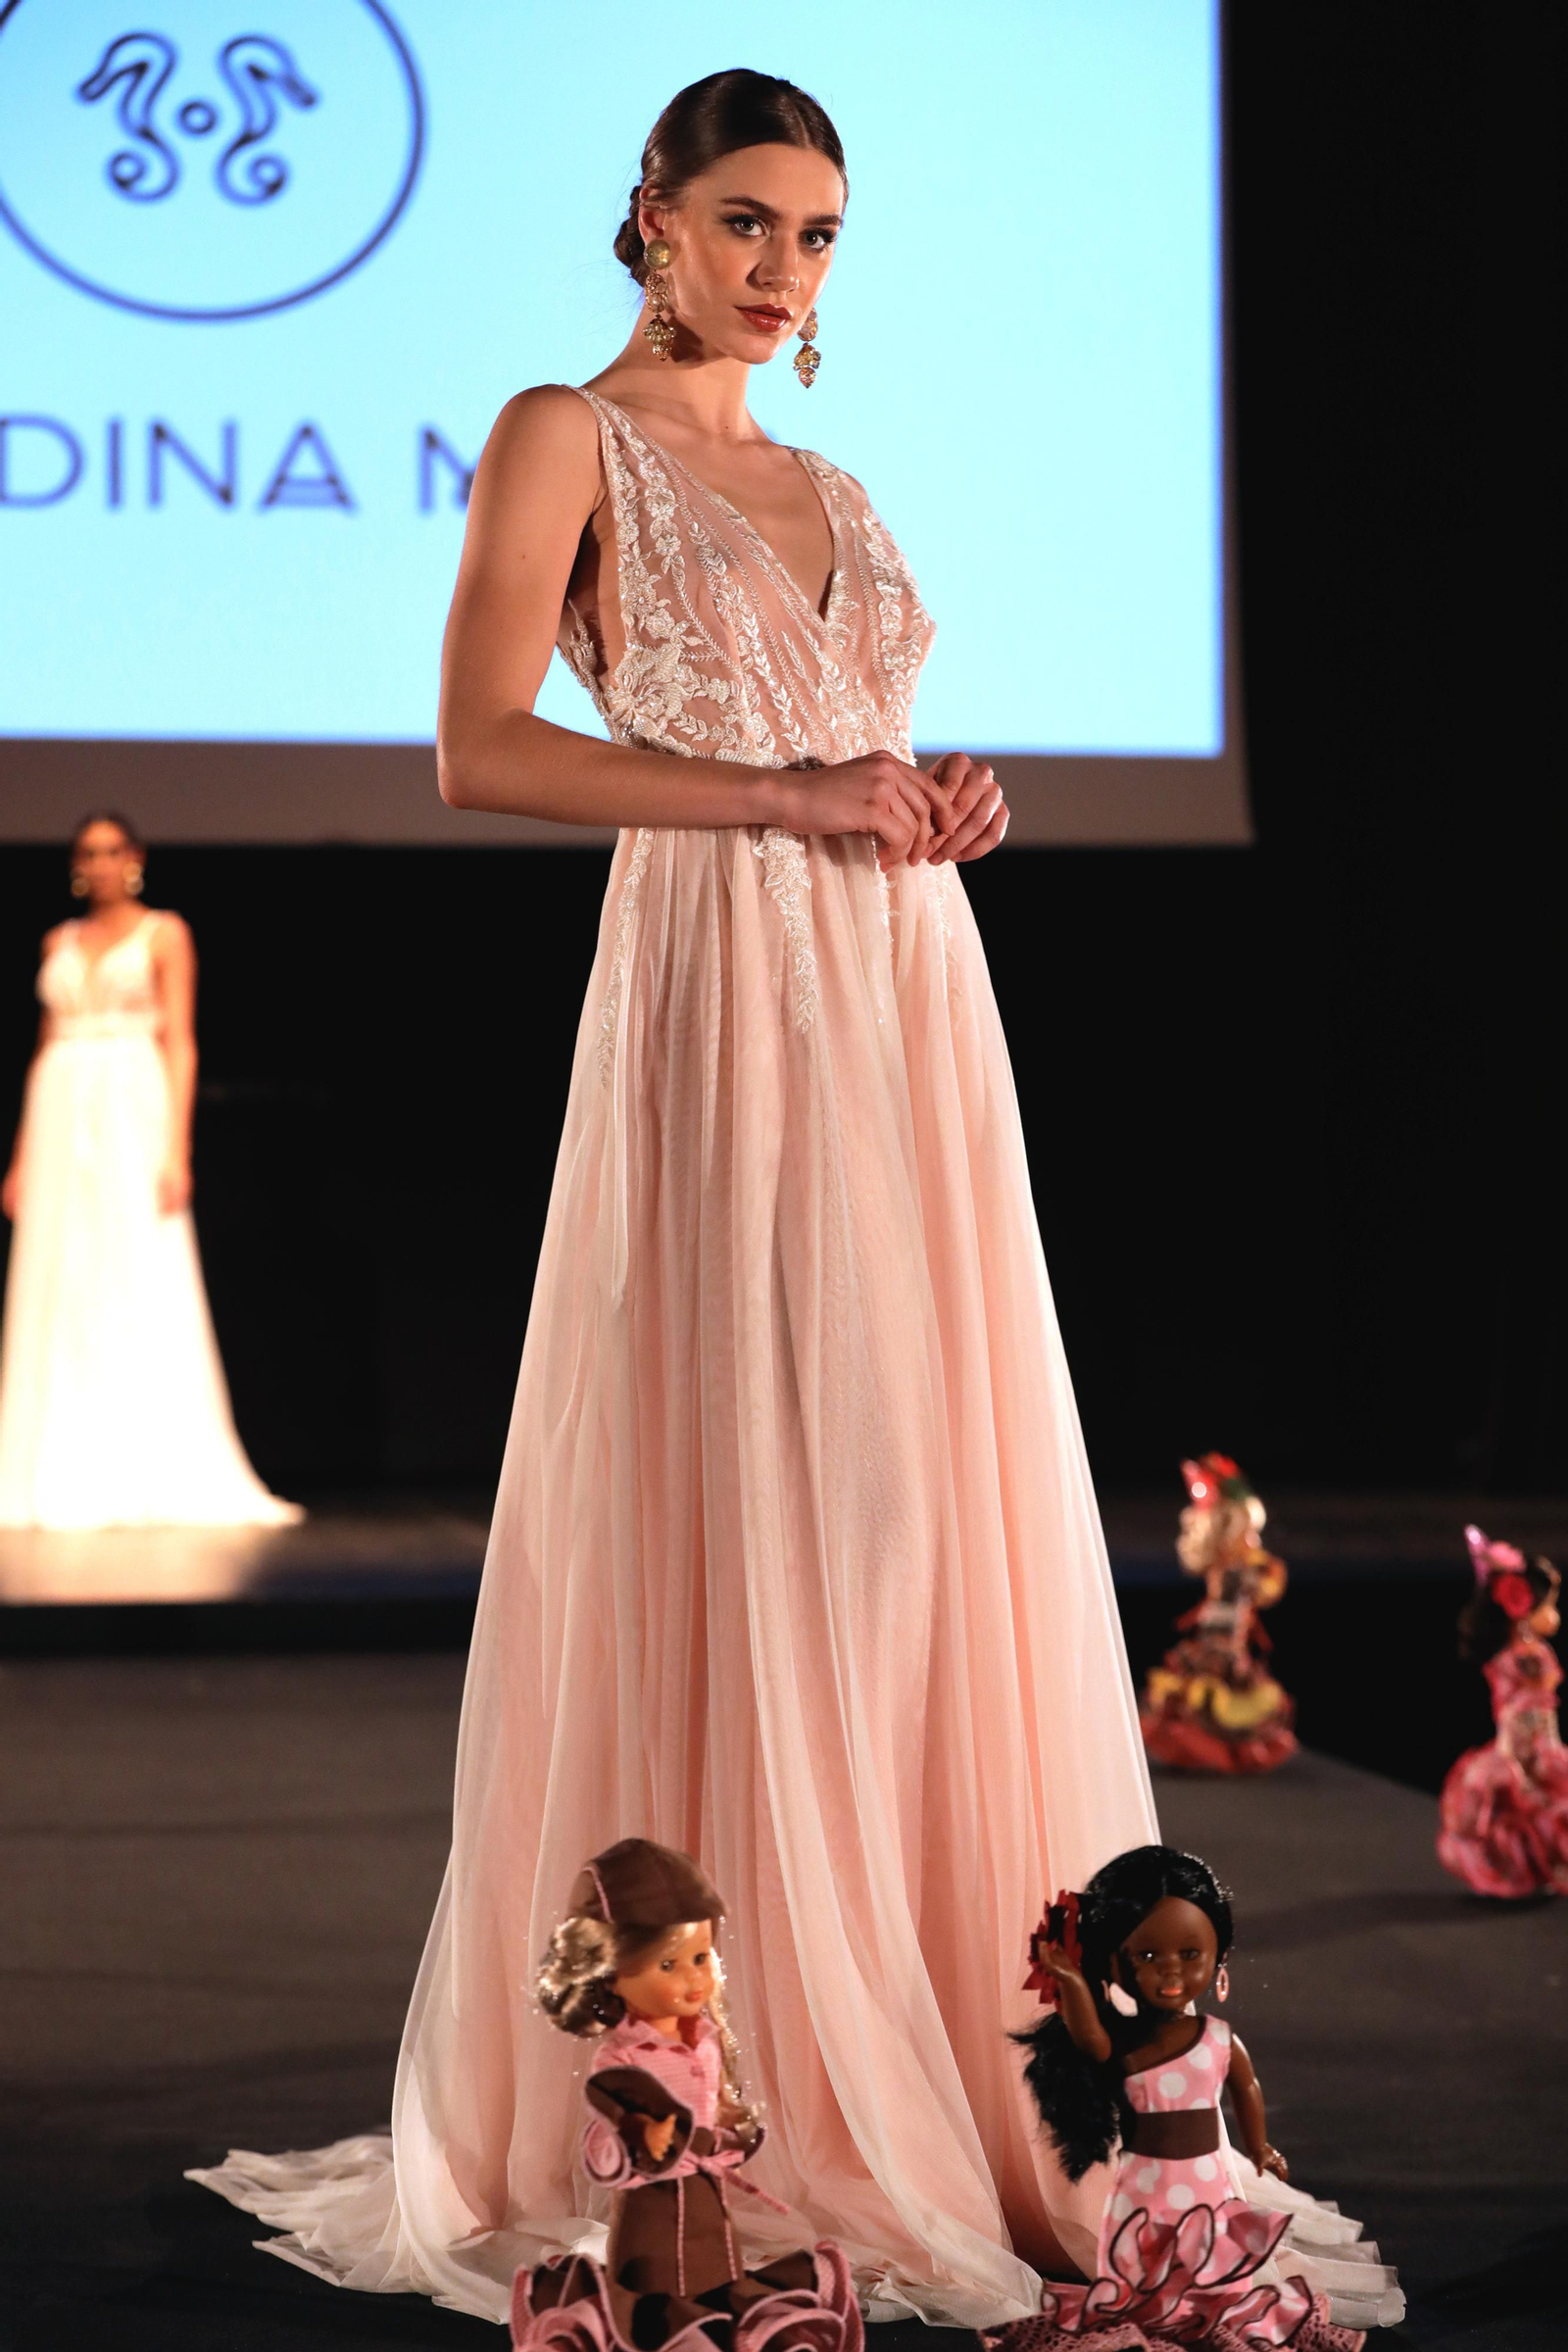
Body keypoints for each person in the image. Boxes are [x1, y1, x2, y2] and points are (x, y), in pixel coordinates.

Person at [189, 71, 1158, 2325]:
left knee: (921, 1514)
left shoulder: (833, 479)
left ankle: (945, 2058)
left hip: (903, 995)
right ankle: (741, 2091)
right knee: (773, 1501)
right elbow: (476, 747)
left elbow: (850, 728)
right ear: (646, 213)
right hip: (725, 989)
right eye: (741, 220)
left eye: (815, 235)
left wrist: (927, 790)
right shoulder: (568, 433)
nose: (778, 269)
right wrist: (786, 798)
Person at [0, 813, 300, 1530]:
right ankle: (54, 1455)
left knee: (133, 1261)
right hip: (61, 1107)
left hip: (132, 1104)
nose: (99, 864)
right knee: (60, 1272)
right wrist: (21, 1155)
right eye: (88, 853)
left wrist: (176, 1148)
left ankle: (142, 1456)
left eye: (112, 851)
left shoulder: (165, 934)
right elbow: (43, 1046)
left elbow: (181, 1040)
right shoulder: (58, 941)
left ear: (133, 858)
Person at [1007, 1847, 1399, 2346]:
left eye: (1190, 1954)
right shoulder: (1127, 2043)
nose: (1171, 1972)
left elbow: (1246, 2087)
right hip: (1145, 2184)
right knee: (1146, 2261)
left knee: (1213, 2256)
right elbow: (1091, 2042)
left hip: (1207, 2179)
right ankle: (1158, 2315)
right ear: (1115, 1964)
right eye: (1148, 1957)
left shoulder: (1217, 2038)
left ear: (1220, 1956)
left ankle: (1208, 2313)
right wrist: (1069, 1980)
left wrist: (1259, 2145)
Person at [512, 1838, 861, 2352]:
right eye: (668, 1966)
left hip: (706, 2207)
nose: (694, 1978)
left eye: (701, 1957)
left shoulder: (704, 2039)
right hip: (650, 2215)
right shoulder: (622, 2060)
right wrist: (641, 2138)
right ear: (612, 1973)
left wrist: (730, 2130)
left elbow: (714, 2110)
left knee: (715, 2279)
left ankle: (714, 2323)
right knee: (657, 2295)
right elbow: (609, 2127)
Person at [1139, 1456, 1298, 1775]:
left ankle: (1225, 1751)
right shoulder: (1220, 1566)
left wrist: (1255, 1576)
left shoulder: (1252, 1566)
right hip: (1212, 1636)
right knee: (1194, 1691)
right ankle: (1200, 1749)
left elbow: (1268, 1588)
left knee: (1221, 1692)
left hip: (1228, 1641)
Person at [1437, 1526, 1568, 1897]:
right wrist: (1521, 1761)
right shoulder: (1520, 1660)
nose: (1553, 1615)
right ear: (1521, 1609)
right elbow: (1519, 1715)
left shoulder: (1530, 1655)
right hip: (1521, 1748)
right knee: (1519, 1807)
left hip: (1536, 1746)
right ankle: (1515, 1874)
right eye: (1548, 1606)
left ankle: (1534, 1872)